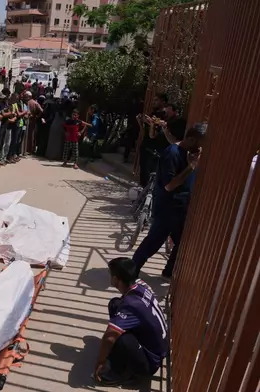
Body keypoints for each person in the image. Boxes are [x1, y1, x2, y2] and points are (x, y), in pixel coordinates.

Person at [131, 123, 206, 279]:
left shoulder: (190, 153)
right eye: (200, 143)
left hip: (181, 206)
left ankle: (169, 271)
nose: (202, 148)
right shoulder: (172, 154)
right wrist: (191, 166)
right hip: (167, 206)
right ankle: (131, 271)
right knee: (154, 241)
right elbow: (169, 186)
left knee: (182, 241)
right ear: (191, 139)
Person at [94, 257, 168, 386]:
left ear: (116, 279)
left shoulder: (131, 305)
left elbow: (109, 337)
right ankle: (125, 354)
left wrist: (100, 361)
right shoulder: (140, 285)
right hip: (156, 346)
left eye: (110, 274)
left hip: (149, 363)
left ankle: (123, 372)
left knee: (120, 338)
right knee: (115, 304)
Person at [137, 93, 168, 187]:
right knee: (143, 169)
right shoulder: (153, 114)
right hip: (146, 144)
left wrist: (152, 123)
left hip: (154, 147)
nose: (154, 102)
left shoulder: (164, 115)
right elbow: (144, 131)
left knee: (150, 172)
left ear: (163, 102)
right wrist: (140, 122)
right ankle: (142, 192)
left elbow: (155, 133)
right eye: (154, 100)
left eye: (156, 100)